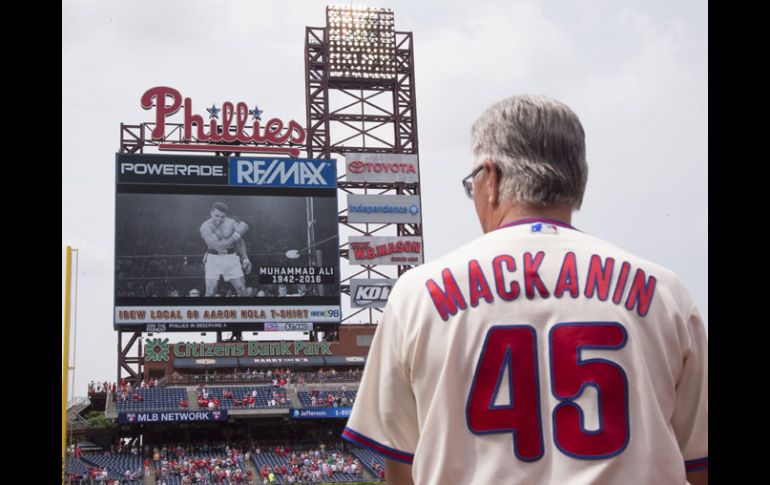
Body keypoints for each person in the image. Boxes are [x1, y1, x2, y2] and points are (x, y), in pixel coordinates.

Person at [342, 95, 708, 485]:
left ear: (492, 178)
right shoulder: (665, 293)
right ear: (576, 179)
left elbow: (402, 471)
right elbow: (698, 465)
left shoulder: (416, 295)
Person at [199, 201, 251, 296]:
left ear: (225, 215)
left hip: (231, 257)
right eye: (216, 216)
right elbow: (219, 247)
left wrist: (245, 258)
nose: (219, 219)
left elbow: (239, 241)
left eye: (222, 217)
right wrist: (237, 233)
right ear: (211, 213)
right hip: (213, 258)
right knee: (210, 292)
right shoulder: (205, 227)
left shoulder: (231, 222)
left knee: (241, 289)